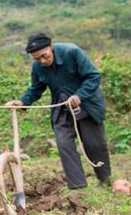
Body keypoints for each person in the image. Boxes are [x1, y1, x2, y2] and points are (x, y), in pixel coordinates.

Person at [6, 33, 112, 189]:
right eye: (37, 59)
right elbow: (36, 88)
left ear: (51, 47)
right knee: (63, 144)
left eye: (44, 56)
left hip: (86, 104)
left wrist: (79, 96)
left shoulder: (72, 52)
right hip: (61, 107)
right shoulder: (38, 67)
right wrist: (22, 101)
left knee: (93, 144)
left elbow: (93, 76)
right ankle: (78, 186)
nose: (42, 61)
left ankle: (104, 180)